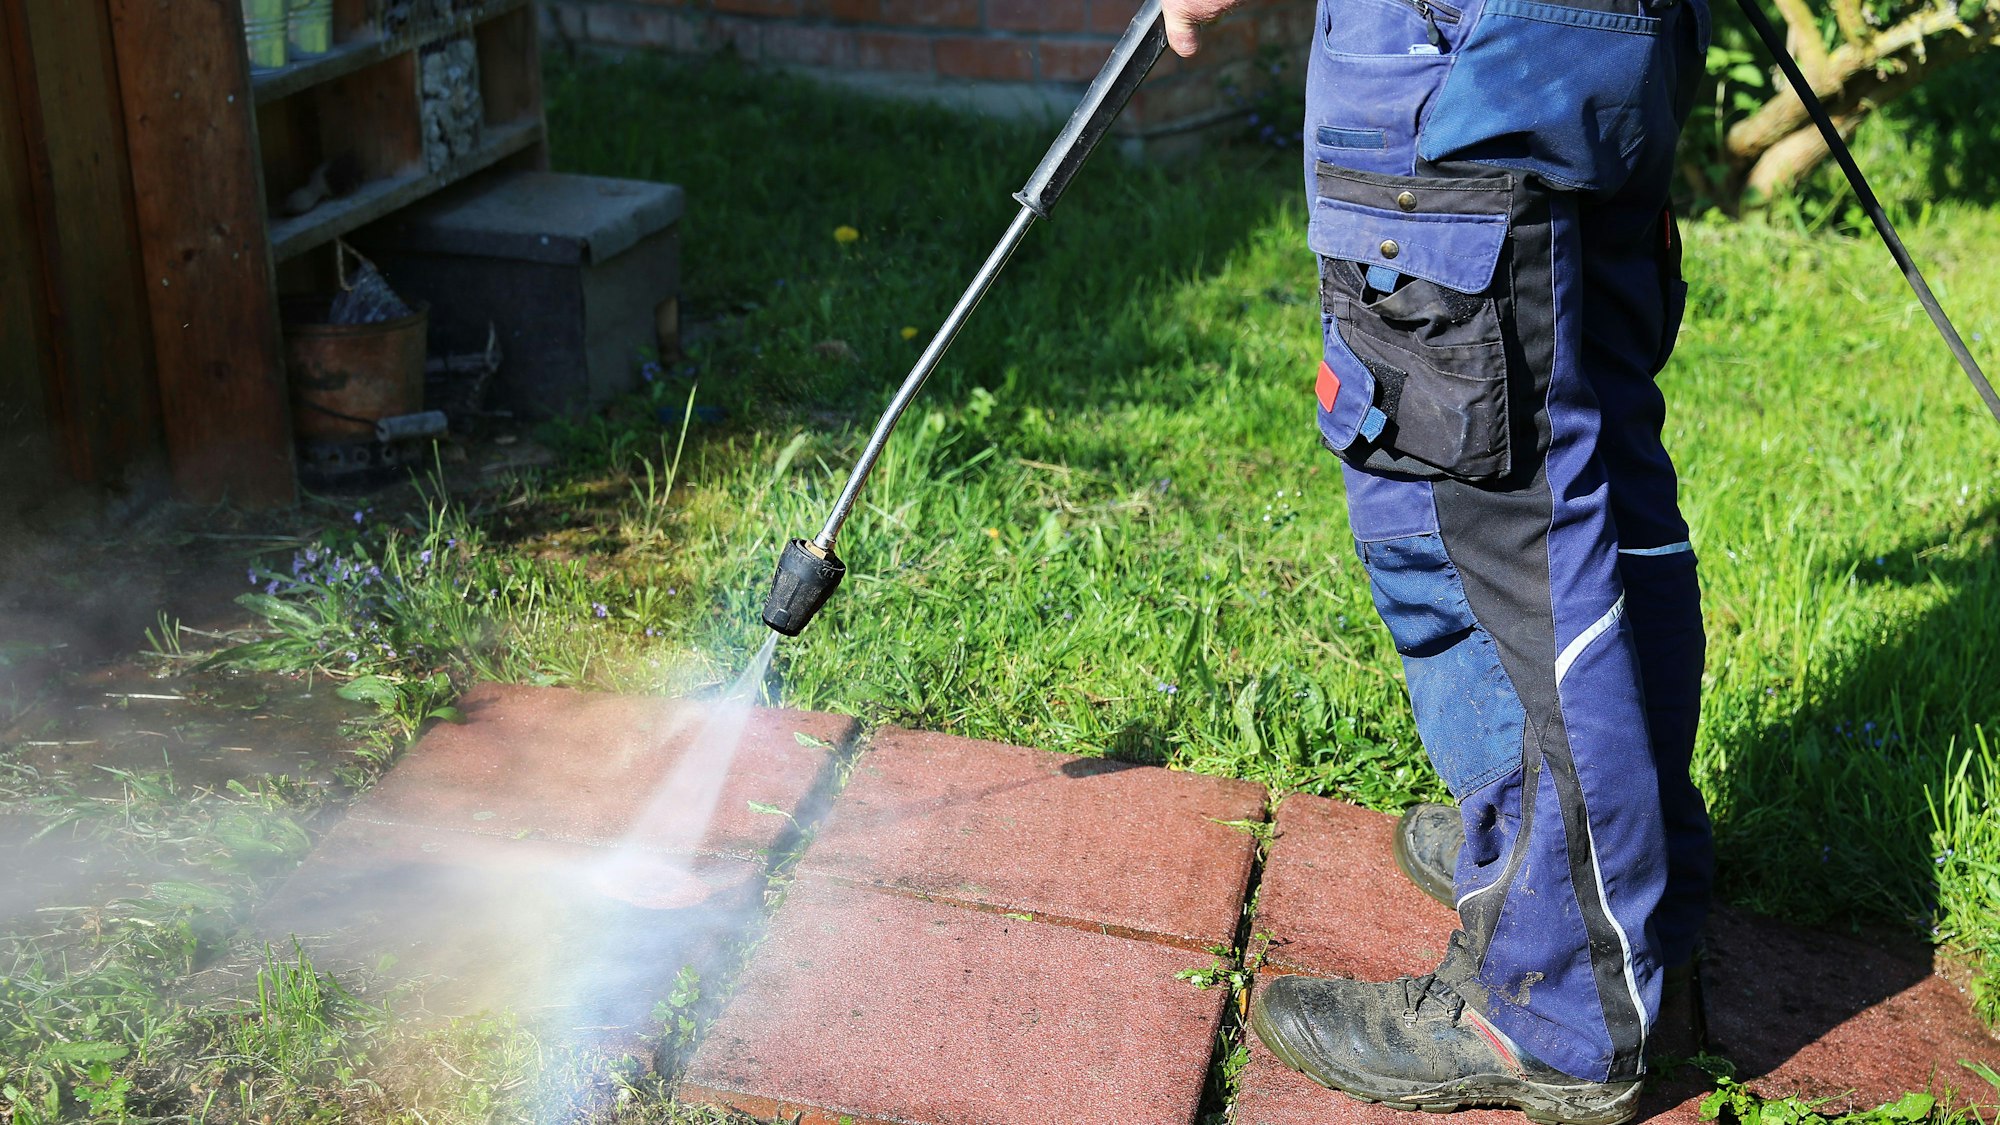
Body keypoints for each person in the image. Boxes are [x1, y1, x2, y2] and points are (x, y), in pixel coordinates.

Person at [1158, 0, 1714, 1120]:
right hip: (1599, 46)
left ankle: (1551, 1004)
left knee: (1491, 527)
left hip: (1460, 58)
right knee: (1593, 467)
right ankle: (1617, 864)